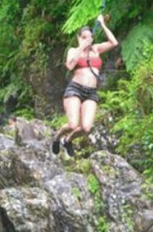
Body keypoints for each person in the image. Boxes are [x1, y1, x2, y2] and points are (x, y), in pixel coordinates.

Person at [51, 14, 118, 157]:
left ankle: (68, 141)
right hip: (75, 89)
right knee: (73, 124)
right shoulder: (73, 51)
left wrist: (102, 24)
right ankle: (57, 138)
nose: (87, 40)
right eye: (84, 37)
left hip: (91, 92)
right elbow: (69, 66)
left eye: (89, 37)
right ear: (79, 38)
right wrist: (81, 47)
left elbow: (114, 43)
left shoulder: (96, 49)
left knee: (86, 128)